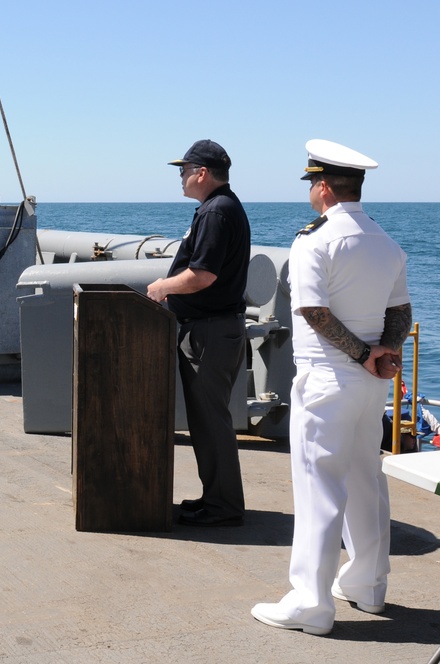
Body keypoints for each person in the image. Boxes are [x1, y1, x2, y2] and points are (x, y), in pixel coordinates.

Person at [251, 140, 411, 636]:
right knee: (366, 478)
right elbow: (401, 313)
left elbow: (315, 313)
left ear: (322, 187)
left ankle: (311, 602)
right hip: (369, 385)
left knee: (319, 486)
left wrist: (364, 355)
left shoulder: (313, 241)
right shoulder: (387, 242)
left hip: (327, 378)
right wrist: (382, 353)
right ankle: (367, 584)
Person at [147, 139, 250, 527]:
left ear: (201, 173)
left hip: (210, 332)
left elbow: (203, 275)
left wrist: (164, 287)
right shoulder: (219, 208)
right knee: (207, 420)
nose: (180, 177)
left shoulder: (217, 212)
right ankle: (216, 497)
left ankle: (224, 505)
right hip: (210, 330)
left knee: (210, 421)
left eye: (184, 170)